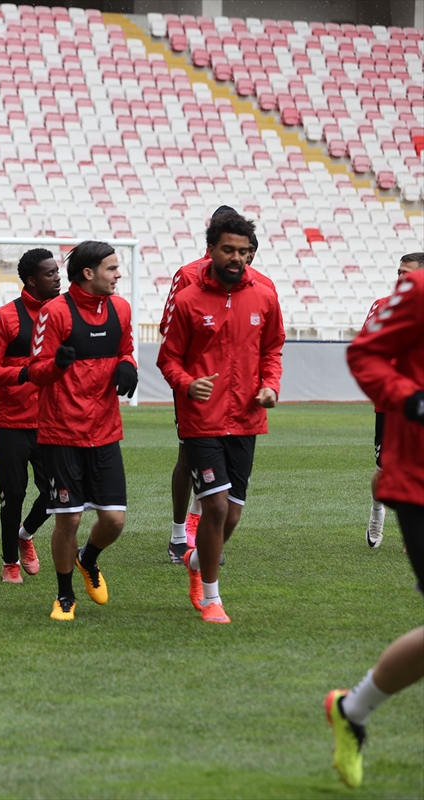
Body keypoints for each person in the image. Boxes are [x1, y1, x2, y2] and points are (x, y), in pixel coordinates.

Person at [157, 212, 284, 624]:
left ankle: (197, 560)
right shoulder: (188, 299)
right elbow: (168, 358)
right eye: (228, 249)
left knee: (232, 514)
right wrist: (187, 383)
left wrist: (270, 385)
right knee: (214, 506)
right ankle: (212, 598)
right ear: (211, 250)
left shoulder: (265, 295)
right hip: (202, 419)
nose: (236, 258)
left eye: (243, 251)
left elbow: (272, 350)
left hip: (247, 418)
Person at [328, 268, 424, 788]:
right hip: (419, 478)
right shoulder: (419, 290)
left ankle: (353, 710)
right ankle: (354, 709)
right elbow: (365, 353)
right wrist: (409, 398)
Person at [29, 240, 136, 621]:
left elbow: (126, 349)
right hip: (62, 433)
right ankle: (64, 595)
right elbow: (36, 371)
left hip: (105, 430)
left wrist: (128, 364)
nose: (118, 274)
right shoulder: (54, 312)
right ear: (88, 273)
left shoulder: (121, 309)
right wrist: (57, 365)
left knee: (114, 520)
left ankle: (87, 557)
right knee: (69, 519)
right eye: (111, 268)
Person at [0, 248, 62, 582]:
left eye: (57, 271)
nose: (57, 277)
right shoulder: (6, 316)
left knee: (58, 492)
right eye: (50, 273)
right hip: (12, 421)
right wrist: (26, 373)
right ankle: (10, 563)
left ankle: (25, 534)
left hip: (51, 420)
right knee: (13, 495)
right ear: (31, 280)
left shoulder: (63, 314)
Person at [360, 252, 423, 548]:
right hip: (393, 406)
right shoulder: (383, 306)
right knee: (385, 471)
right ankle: (377, 511)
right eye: (398, 272)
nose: (400, 278)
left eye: (406, 274)